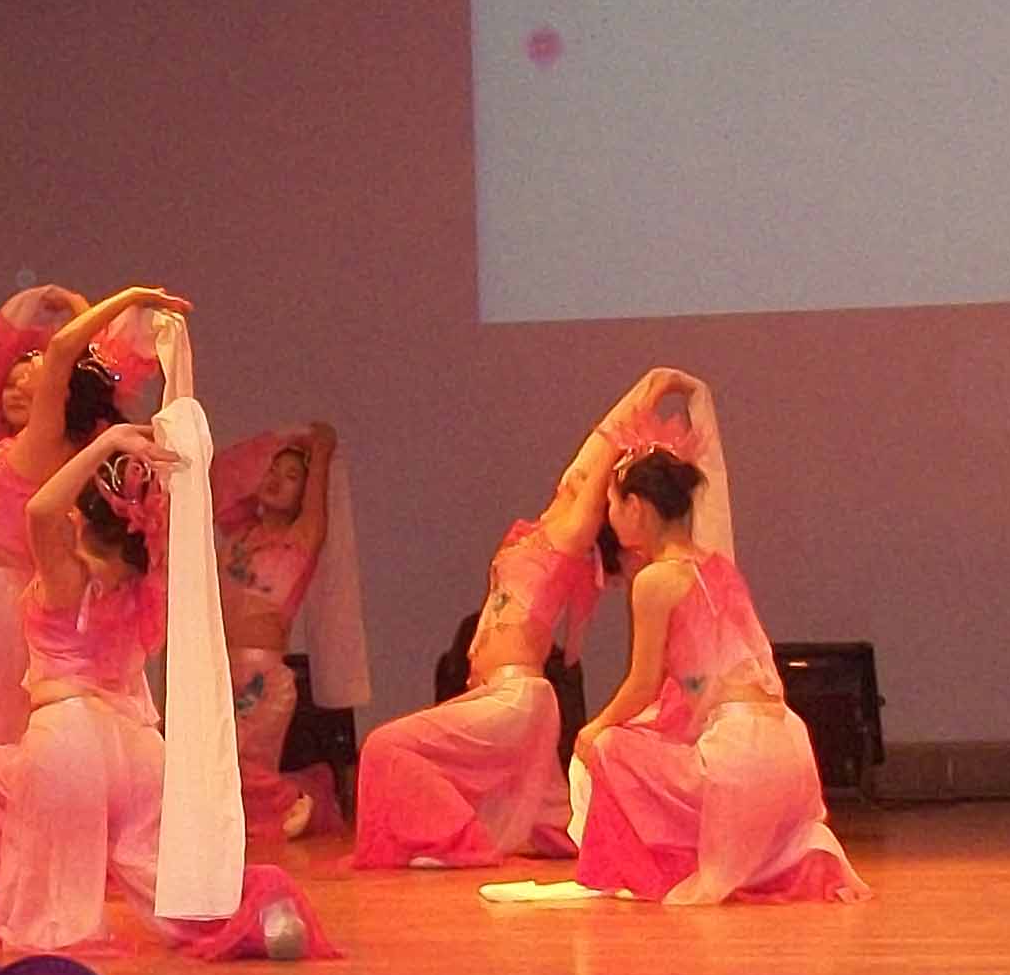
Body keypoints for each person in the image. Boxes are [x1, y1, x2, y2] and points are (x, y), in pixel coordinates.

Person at [0, 422, 330, 961]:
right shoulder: (143, 585)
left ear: (80, 517)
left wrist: (105, 444)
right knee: (165, 882)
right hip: (141, 752)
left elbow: (38, 510)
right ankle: (257, 914)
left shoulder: (70, 577)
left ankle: (2, 911)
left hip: (71, 742)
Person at [348, 369, 694, 869]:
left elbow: (605, 442)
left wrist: (654, 387)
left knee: (385, 748)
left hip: (516, 699)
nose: (574, 476)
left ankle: (460, 844)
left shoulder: (567, 541)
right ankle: (655, 840)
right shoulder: (536, 537)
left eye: (586, 481)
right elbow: (589, 455)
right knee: (561, 827)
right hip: (506, 698)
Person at [569, 447, 867, 906]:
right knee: (639, 739)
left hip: (740, 754)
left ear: (635, 506)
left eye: (612, 504)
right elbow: (700, 679)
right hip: (788, 745)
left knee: (607, 747)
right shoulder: (717, 567)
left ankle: (663, 870)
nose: (608, 517)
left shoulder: (656, 580)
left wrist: (594, 727)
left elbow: (643, 683)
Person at [0, 284, 180, 783]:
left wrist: (119, 299)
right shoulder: (26, 445)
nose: (17, 389)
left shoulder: (45, 443)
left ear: (59, 393)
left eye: (33, 382)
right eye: (11, 383)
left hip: (3, 603)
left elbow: (70, 351)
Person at [210, 423, 342, 841]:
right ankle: (306, 791)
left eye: (291, 477)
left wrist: (318, 449)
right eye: (272, 470)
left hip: (263, 679)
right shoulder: (239, 532)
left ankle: (300, 799)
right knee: (210, 765)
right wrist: (280, 438)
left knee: (241, 768)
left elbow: (322, 454)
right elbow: (218, 474)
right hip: (218, 671)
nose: (276, 480)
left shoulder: (300, 540)